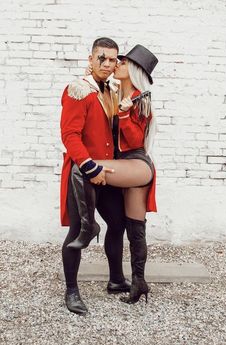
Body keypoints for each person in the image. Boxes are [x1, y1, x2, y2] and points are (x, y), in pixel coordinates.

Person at [67, 44, 158, 304]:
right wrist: (90, 76)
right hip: (124, 168)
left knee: (82, 168)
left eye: (122, 62)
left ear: (133, 70)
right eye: (112, 60)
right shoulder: (116, 91)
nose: (115, 64)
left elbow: (134, 140)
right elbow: (97, 90)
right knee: (134, 227)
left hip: (136, 164)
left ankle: (88, 227)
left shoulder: (140, 99)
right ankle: (137, 282)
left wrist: (126, 114)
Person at [60, 37, 131, 315]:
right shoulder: (78, 89)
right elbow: (70, 135)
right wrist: (91, 167)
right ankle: (71, 290)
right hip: (84, 173)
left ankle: (115, 280)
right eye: (101, 58)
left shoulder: (114, 89)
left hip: (109, 172)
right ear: (90, 59)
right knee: (78, 232)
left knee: (118, 223)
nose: (107, 64)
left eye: (112, 59)